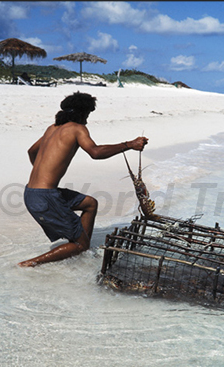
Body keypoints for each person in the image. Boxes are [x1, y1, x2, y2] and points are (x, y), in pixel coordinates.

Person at [18, 91, 148, 267]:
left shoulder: (52, 128)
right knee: (80, 244)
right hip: (44, 196)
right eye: (88, 114)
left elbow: (31, 151)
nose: (87, 118)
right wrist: (129, 145)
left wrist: (43, 172)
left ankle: (81, 246)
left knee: (90, 204)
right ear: (82, 112)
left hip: (31, 192)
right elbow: (95, 152)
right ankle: (32, 262)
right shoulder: (77, 129)